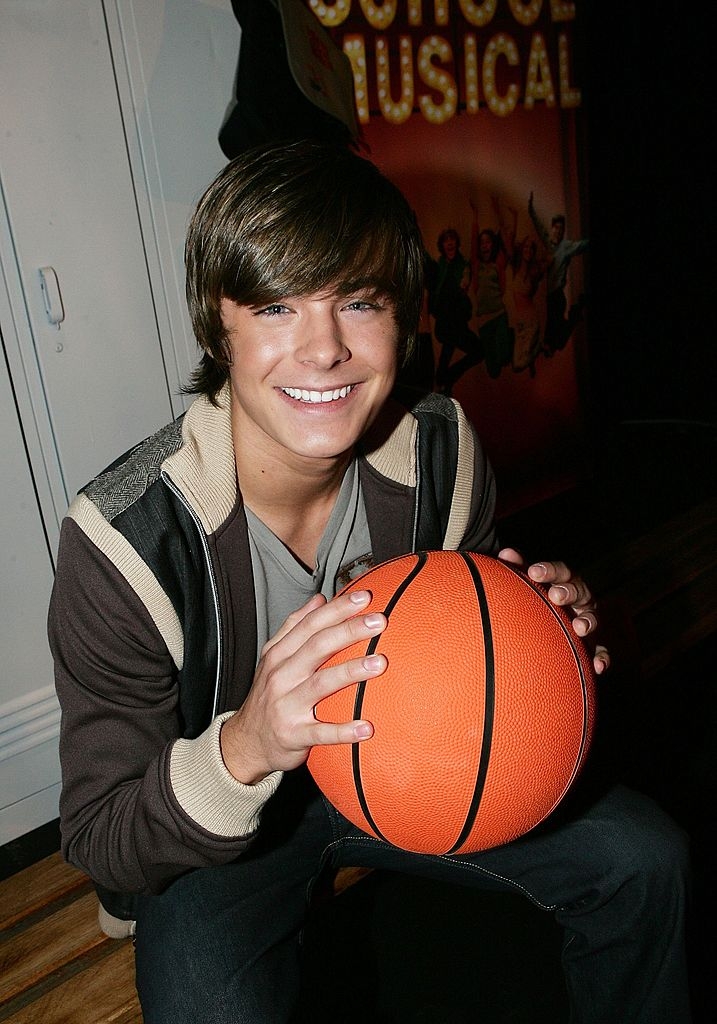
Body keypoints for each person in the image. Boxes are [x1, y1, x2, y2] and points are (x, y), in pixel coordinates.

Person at [49, 140, 691, 1024]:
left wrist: (549, 648)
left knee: (643, 860)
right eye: (276, 305)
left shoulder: (440, 449)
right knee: (206, 1005)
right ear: (217, 326)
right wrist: (248, 744)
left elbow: (481, 665)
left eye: (358, 300)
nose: (324, 350)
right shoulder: (123, 542)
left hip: (412, 771)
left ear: (404, 319)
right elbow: (101, 839)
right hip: (237, 831)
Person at [528, 190, 589, 355]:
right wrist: (530, 209)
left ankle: (576, 312)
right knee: (557, 338)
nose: (558, 232)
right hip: (551, 297)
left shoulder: (565, 246)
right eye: (556, 228)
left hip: (557, 296)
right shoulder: (549, 243)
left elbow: (581, 245)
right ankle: (577, 311)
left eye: (561, 230)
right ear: (552, 229)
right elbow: (539, 227)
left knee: (554, 332)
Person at [426, 227, 481, 391]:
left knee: (478, 350)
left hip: (456, 321)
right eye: (446, 240)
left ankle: (444, 378)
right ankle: (444, 378)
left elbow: (463, 284)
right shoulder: (438, 267)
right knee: (451, 339)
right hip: (444, 321)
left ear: (457, 243)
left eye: (452, 239)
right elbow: (426, 262)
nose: (449, 242)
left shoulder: (463, 265)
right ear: (442, 245)